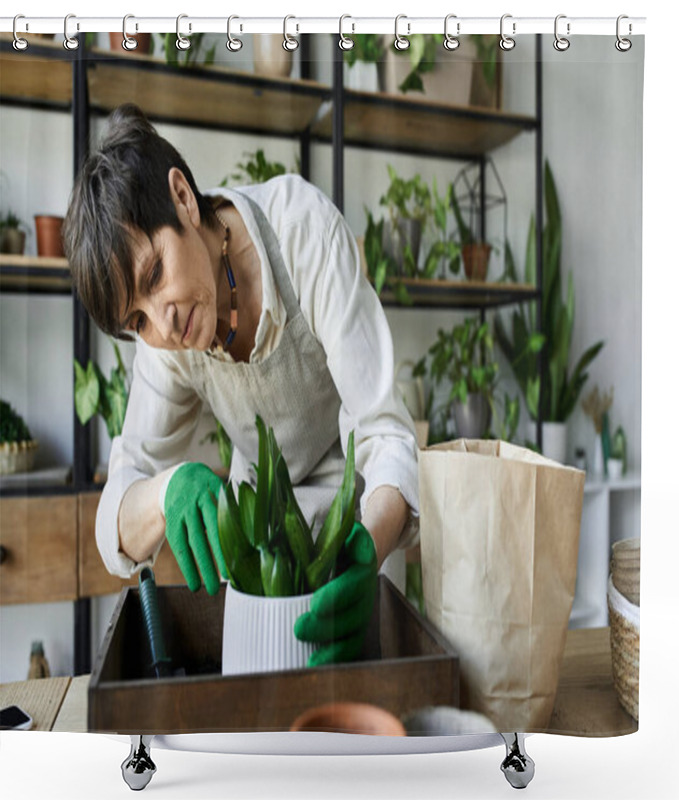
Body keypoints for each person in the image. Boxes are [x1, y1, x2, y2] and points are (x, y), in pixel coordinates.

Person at [64, 103, 419, 665]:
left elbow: (388, 435)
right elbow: (118, 521)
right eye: (137, 321)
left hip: (359, 532)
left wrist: (365, 553)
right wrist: (167, 489)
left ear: (183, 197)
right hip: (264, 553)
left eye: (155, 274)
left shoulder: (302, 232)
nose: (165, 324)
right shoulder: (167, 338)